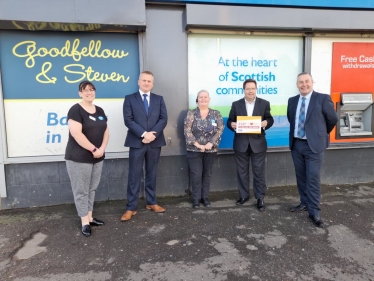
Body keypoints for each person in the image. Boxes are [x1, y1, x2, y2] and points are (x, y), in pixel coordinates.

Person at [287, 72, 338, 228]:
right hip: (297, 145)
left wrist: (319, 133)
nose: (304, 84)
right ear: (297, 84)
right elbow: (292, 119)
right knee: (301, 177)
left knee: (313, 178)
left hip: (314, 146)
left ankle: (314, 210)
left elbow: (332, 119)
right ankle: (304, 202)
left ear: (312, 82)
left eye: (307, 81)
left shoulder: (322, 98)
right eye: (301, 82)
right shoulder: (292, 100)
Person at [121, 71, 168, 221]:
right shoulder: (129, 99)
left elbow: (163, 118)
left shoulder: (159, 99)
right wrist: (144, 134)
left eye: (149, 81)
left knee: (151, 173)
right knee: (134, 175)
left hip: (155, 142)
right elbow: (128, 120)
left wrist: (152, 134)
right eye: (144, 80)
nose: (146, 83)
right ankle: (131, 207)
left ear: (152, 84)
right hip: (137, 141)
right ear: (138, 82)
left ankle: (151, 202)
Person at [65, 81, 109, 237]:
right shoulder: (75, 110)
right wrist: (93, 149)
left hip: (98, 157)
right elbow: (77, 134)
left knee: (92, 188)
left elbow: (105, 131)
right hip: (79, 157)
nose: (89, 92)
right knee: (81, 190)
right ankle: (84, 222)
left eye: (92, 90)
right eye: (85, 90)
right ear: (80, 93)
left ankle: (90, 217)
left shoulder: (100, 110)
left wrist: (102, 149)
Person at [227, 78, 274, 211]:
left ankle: (260, 198)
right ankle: (243, 196)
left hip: (258, 143)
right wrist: (232, 125)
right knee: (242, 172)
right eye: (248, 89)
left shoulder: (264, 103)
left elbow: (269, 119)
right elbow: (230, 121)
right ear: (244, 90)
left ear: (256, 89)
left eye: (253, 88)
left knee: (259, 172)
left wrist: (266, 123)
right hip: (241, 143)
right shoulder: (236, 104)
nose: (250, 91)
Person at [184, 90, 224, 208]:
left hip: (210, 150)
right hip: (194, 150)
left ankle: (205, 198)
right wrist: (197, 144)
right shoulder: (191, 113)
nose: (203, 99)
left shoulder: (216, 114)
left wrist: (211, 143)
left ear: (209, 99)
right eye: (201, 97)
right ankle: (196, 199)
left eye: (205, 97)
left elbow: (220, 129)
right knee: (196, 175)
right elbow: (187, 130)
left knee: (207, 174)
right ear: (197, 99)